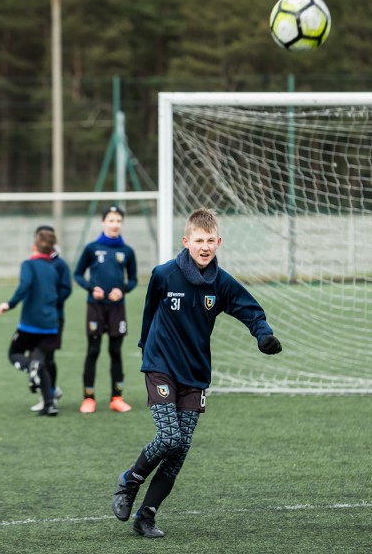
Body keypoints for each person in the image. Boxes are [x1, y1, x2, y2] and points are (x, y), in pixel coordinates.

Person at [111, 208, 282, 538]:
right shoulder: (164, 274)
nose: (205, 247)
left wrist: (263, 335)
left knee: (180, 449)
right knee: (168, 437)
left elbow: (252, 312)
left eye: (210, 241)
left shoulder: (222, 283)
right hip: (161, 366)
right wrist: (146, 345)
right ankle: (129, 480)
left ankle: (146, 515)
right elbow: (149, 311)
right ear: (186, 241)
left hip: (195, 373)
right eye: (198, 241)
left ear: (218, 242)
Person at [0, 226, 72, 416]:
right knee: (43, 362)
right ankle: (50, 404)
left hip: (31, 324)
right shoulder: (53, 269)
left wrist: (10, 304)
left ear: (34, 246)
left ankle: (31, 366)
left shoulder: (28, 265)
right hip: (51, 324)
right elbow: (59, 293)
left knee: (14, 353)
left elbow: (25, 285)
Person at [73, 204, 138, 414]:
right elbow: (78, 274)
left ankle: (116, 397)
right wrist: (92, 288)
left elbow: (134, 279)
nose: (115, 224)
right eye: (111, 220)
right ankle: (88, 398)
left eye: (118, 221)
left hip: (117, 309)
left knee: (115, 352)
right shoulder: (92, 248)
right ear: (103, 223)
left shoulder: (127, 251)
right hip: (96, 308)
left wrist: (123, 290)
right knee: (93, 351)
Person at [30, 225, 71, 413]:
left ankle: (50, 394)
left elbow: (66, 288)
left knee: (47, 357)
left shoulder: (59, 264)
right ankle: (49, 393)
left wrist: (50, 302)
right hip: (34, 319)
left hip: (54, 318)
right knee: (37, 357)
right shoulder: (34, 262)